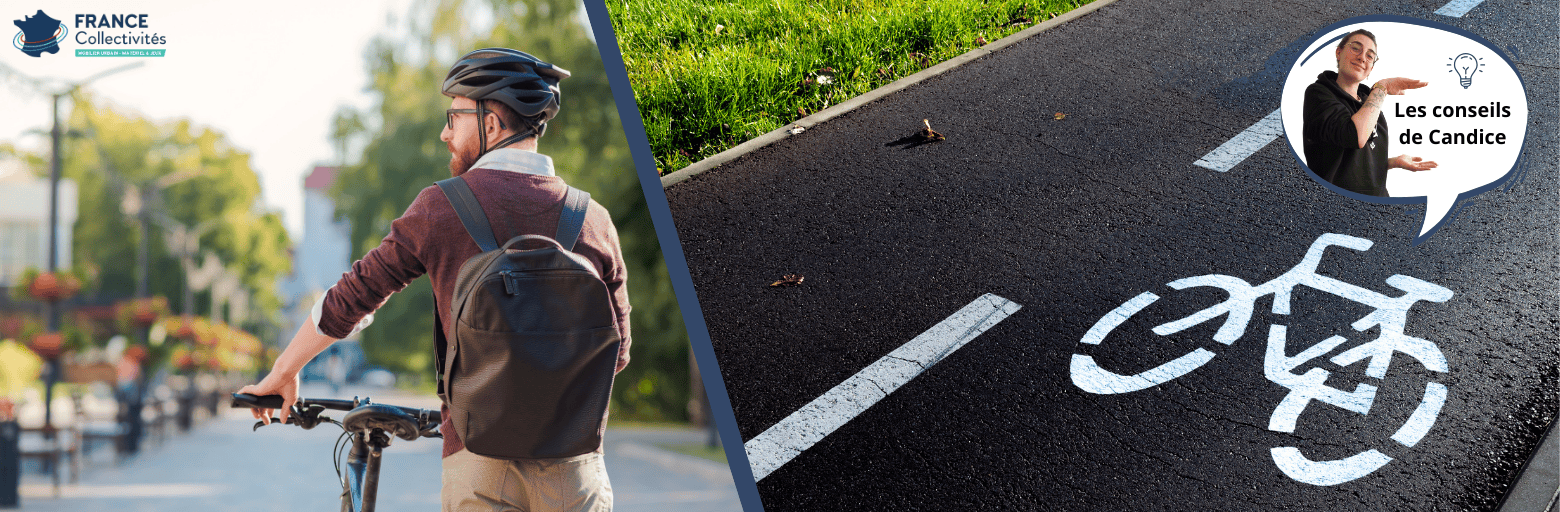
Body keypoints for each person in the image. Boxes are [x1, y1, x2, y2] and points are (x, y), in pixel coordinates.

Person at [239, 48, 631, 512]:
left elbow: (353, 299)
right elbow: (618, 351)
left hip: (478, 464)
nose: (445, 132)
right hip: (576, 470)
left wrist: (283, 372)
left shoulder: (441, 207)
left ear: (490, 125)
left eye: (454, 116)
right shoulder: (593, 220)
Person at [1302, 29, 1438, 197]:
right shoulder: (1319, 94)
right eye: (1355, 48)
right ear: (1338, 52)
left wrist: (1392, 162)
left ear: (1371, 67)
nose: (1362, 57)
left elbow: (1355, 161)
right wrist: (1383, 87)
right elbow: (1354, 136)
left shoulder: (1370, 104)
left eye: (1370, 56)